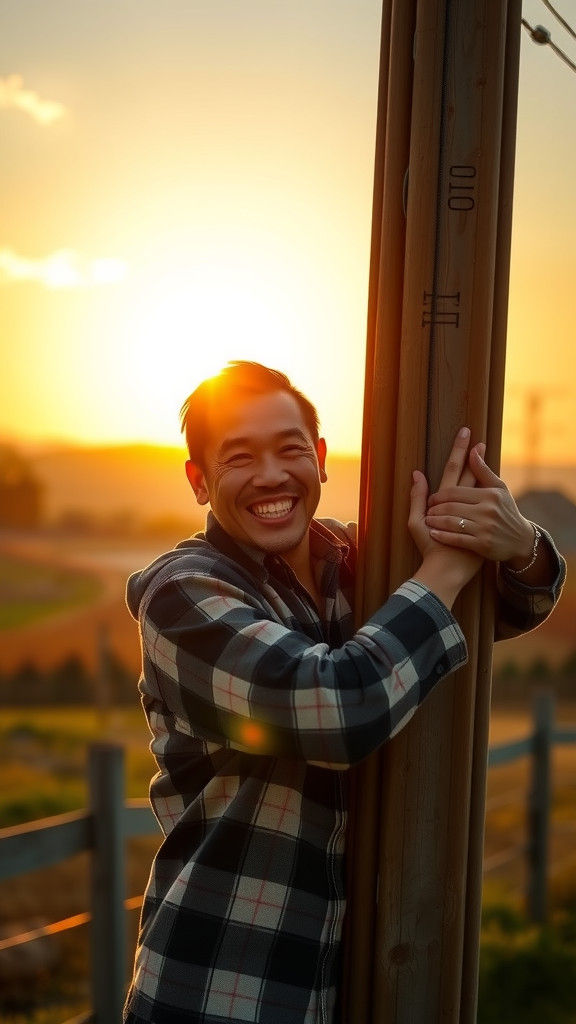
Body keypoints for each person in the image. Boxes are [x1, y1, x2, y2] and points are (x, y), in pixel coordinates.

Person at [124, 361, 565, 1024]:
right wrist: (444, 568)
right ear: (199, 480)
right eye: (239, 457)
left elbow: (505, 607)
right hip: (221, 986)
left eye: (290, 449)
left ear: (322, 460)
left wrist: (518, 543)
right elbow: (335, 712)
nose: (272, 475)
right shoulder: (183, 595)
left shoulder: (357, 562)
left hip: (346, 987)